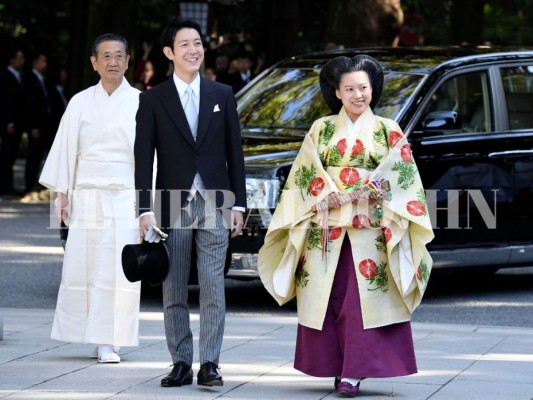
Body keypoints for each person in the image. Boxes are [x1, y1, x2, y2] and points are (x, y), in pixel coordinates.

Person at [257, 55, 434, 397]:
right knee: (330, 297)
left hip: (371, 232)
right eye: (349, 88)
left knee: (360, 301)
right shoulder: (321, 129)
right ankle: (335, 368)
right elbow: (304, 173)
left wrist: (370, 188)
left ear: (372, 90)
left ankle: (353, 371)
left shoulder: (388, 130)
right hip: (327, 228)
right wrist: (325, 192)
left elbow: (403, 175)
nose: (358, 95)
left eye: (363, 88)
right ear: (337, 93)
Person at [134, 17, 246, 388]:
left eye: (197, 43)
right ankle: (180, 361)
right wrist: (145, 210)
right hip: (172, 204)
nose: (194, 50)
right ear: (169, 52)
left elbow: (235, 154)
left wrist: (239, 206)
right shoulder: (152, 99)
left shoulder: (223, 94)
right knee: (174, 286)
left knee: (214, 286)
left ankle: (210, 363)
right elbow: (143, 158)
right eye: (185, 44)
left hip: (216, 202)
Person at [39, 33, 142, 364]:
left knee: (119, 269)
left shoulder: (142, 102)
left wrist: (148, 208)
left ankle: (110, 340)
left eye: (119, 56)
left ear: (128, 61)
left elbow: (151, 160)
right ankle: (93, 335)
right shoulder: (80, 102)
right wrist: (62, 195)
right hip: (88, 194)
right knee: (86, 264)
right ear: (94, 62)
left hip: (125, 194)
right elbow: (66, 151)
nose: (113, 62)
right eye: (106, 56)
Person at [0, 47, 25, 196]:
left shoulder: (17, 76)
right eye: (19, 57)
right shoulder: (6, 77)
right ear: (12, 60)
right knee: (7, 155)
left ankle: (7, 185)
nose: (22, 61)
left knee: (11, 154)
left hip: (16, 121)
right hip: (10, 123)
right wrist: (8, 121)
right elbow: (5, 101)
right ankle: (4, 186)